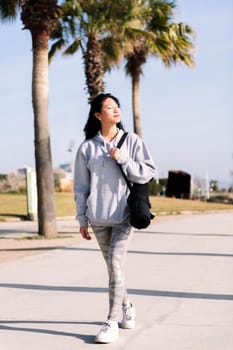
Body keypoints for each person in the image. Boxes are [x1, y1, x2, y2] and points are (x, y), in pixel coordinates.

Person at [73, 93, 156, 344]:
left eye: (117, 107)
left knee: (115, 265)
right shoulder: (87, 148)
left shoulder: (132, 141)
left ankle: (111, 320)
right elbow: (81, 187)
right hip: (98, 217)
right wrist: (81, 219)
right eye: (110, 108)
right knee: (113, 268)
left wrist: (123, 159)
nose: (116, 110)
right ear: (98, 115)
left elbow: (149, 172)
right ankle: (128, 304)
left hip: (124, 216)